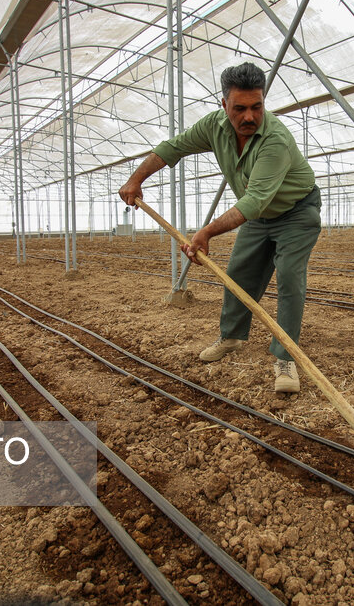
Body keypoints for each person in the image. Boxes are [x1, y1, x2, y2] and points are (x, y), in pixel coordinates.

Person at [118, 62, 320, 394]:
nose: (249, 117)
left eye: (257, 106)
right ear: (224, 104)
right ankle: (232, 337)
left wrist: (206, 232)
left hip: (296, 213)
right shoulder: (214, 127)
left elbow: (254, 200)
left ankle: (285, 357)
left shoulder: (276, 140)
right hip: (259, 217)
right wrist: (136, 179)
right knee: (238, 273)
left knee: (289, 278)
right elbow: (174, 148)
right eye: (239, 108)